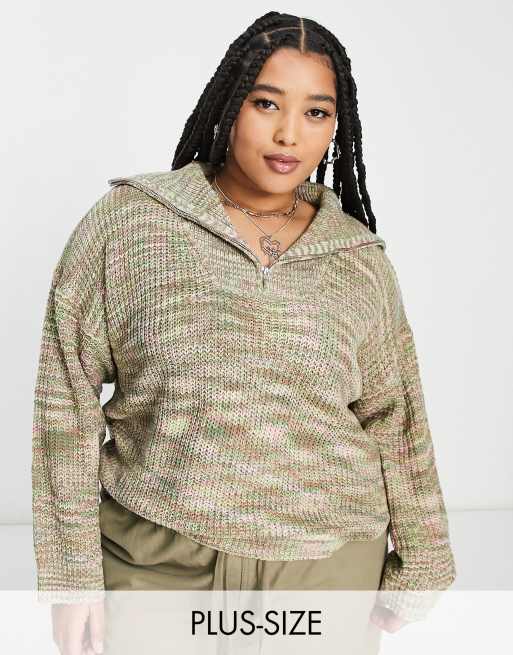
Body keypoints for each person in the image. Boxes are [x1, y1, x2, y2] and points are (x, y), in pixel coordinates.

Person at [32, 10, 457, 655]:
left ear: (336, 126)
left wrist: (424, 562)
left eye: (316, 112)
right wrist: (70, 576)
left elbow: (395, 418)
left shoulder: (358, 258)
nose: (289, 134)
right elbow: (65, 402)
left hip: (326, 570)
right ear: (230, 104)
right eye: (267, 103)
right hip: (157, 559)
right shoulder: (131, 225)